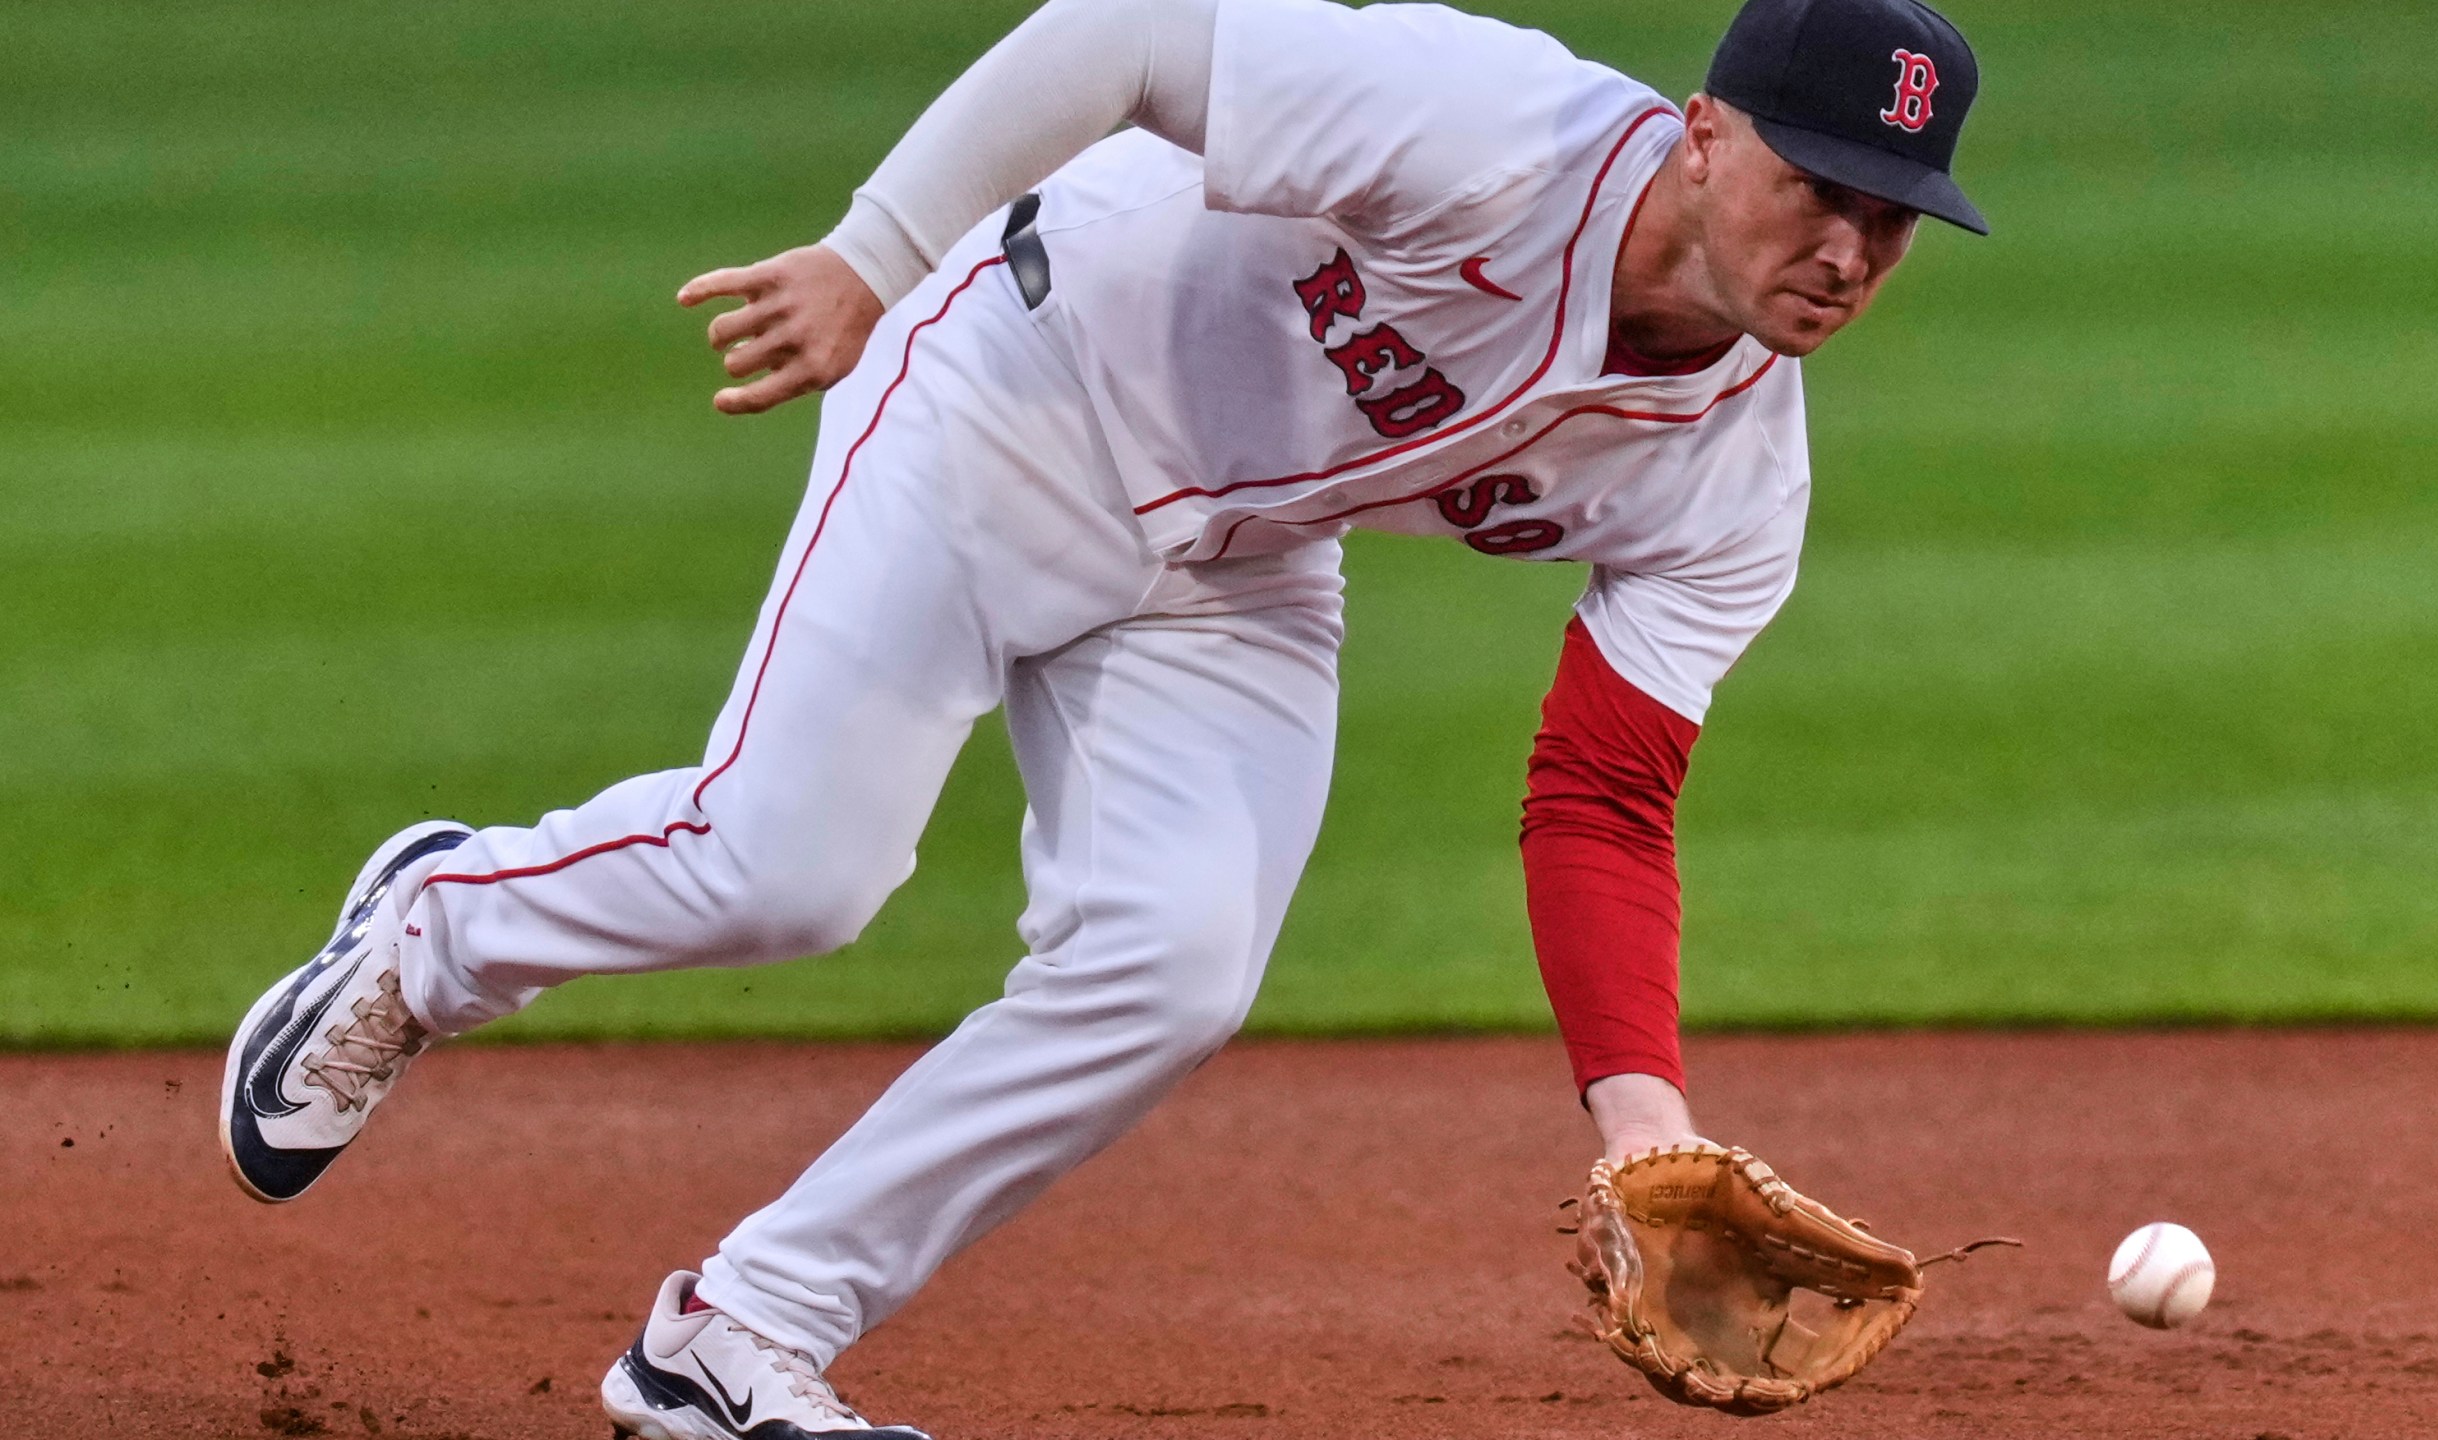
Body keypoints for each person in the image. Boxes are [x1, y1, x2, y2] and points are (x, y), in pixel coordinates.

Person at [219, 0, 1985, 1435]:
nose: (1844, 246)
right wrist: (869, 253)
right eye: (1812, 186)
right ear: (1701, 132)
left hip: (1234, 558)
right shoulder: (1494, 126)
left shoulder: (1741, 480)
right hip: (1010, 382)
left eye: (1889, 214)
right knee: (790, 875)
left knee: (1176, 961)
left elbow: (1603, 795)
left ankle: (736, 1336)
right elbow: (1129, 38)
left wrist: (1641, 1122)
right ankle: (442, 928)